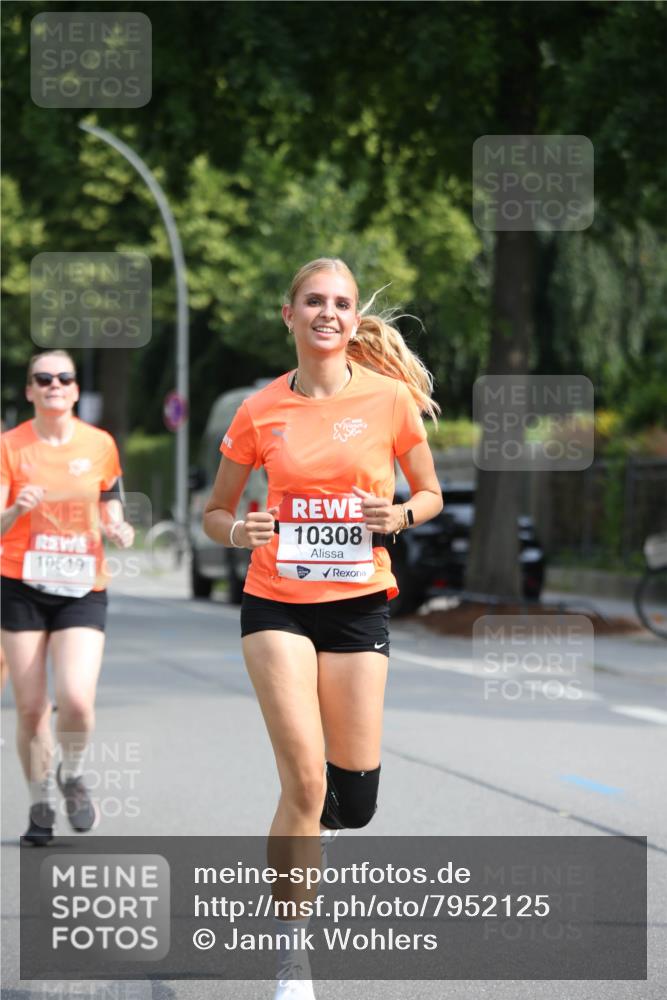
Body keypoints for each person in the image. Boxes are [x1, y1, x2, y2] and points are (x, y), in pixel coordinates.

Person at [203, 257, 443, 999]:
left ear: (349, 319)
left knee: (352, 801)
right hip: (274, 601)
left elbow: (429, 493)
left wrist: (399, 514)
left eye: (339, 302)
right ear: (289, 315)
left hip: (358, 605)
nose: (327, 312)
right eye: (313, 301)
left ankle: (313, 830)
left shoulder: (391, 401)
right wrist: (239, 531)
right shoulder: (257, 410)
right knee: (304, 779)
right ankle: (291, 957)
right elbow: (214, 514)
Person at [1, 350, 134, 845]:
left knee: (77, 700)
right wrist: (15, 508)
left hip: (82, 585)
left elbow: (109, 498)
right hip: (19, 584)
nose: (55, 384)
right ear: (30, 390)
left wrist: (116, 524)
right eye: (43, 378)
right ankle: (39, 807)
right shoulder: (10, 447)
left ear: (76, 390)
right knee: (32, 707)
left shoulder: (99, 444)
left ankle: (72, 772)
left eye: (64, 377)